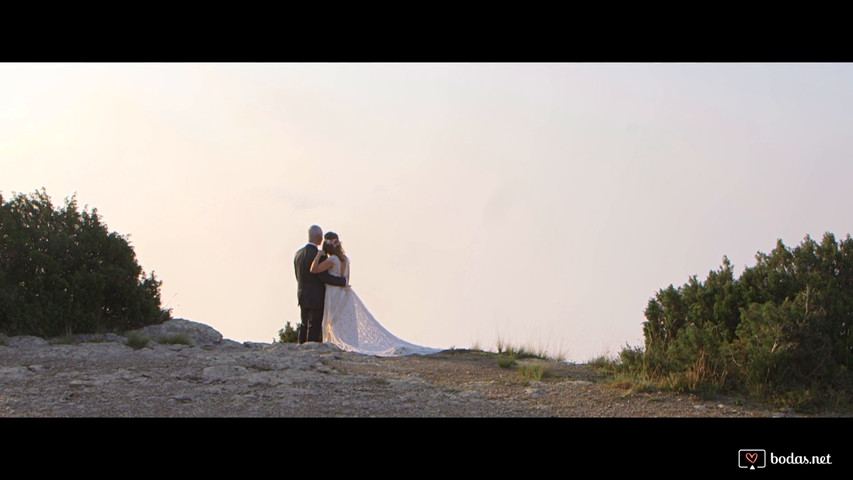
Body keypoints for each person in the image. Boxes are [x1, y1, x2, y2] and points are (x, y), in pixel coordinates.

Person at [310, 231, 440, 357]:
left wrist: (318, 256)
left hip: (334, 293)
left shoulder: (332, 259)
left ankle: (336, 342)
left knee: (335, 318)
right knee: (344, 318)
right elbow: (346, 280)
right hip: (345, 294)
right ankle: (349, 340)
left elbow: (314, 269)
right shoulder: (346, 259)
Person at [294, 225, 348, 343]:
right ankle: (311, 349)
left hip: (302, 293)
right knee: (314, 325)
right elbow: (323, 277)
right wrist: (342, 281)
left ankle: (300, 347)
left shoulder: (298, 254)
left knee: (303, 323)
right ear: (319, 238)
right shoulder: (320, 255)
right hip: (316, 296)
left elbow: (298, 275)